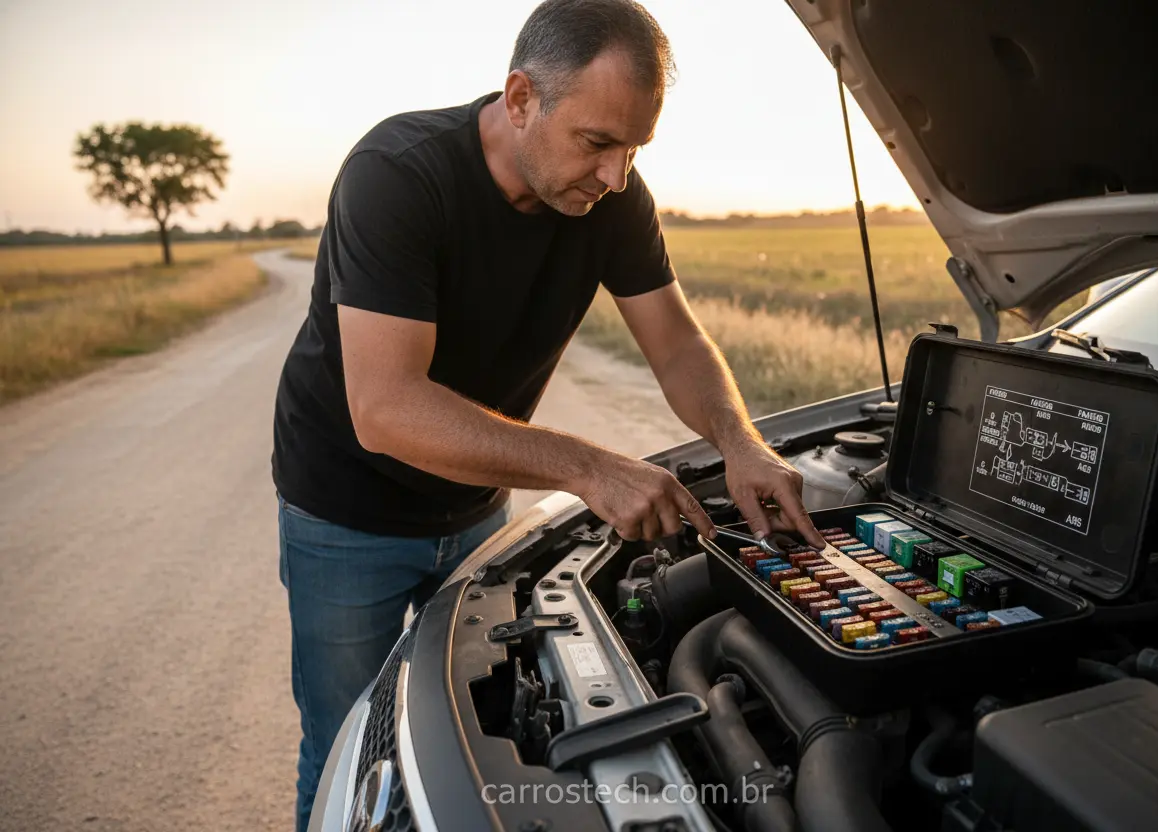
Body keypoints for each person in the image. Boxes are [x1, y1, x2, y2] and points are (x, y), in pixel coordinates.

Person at [270, 0, 826, 828]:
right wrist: (590, 468)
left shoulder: (613, 200)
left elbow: (674, 344)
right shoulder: (397, 174)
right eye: (597, 143)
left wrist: (738, 441)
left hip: (476, 500)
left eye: (634, 149)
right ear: (522, 97)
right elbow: (384, 408)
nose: (615, 176)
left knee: (479, 740)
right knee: (354, 745)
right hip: (348, 514)